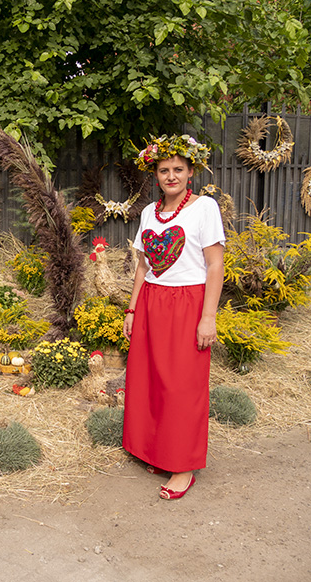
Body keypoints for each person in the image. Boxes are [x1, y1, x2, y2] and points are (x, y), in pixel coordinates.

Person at [122, 134, 225, 500]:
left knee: (183, 385)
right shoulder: (150, 213)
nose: (171, 176)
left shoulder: (204, 208)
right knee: (150, 380)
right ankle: (155, 450)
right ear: (156, 174)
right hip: (152, 302)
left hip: (187, 304)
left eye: (178, 169)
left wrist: (207, 317)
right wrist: (132, 309)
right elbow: (142, 266)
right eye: (164, 170)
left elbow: (215, 265)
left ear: (190, 171)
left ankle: (183, 466)